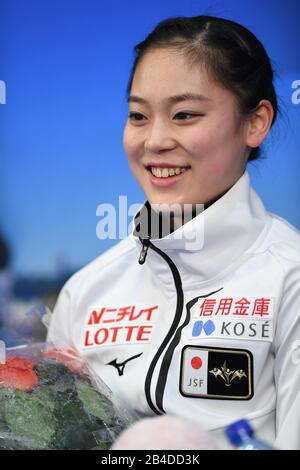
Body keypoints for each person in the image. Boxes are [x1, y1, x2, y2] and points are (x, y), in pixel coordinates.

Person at [47, 15, 300, 449]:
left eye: (184, 114)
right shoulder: (84, 291)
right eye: (138, 115)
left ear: (256, 123)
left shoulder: (289, 277)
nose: (155, 140)